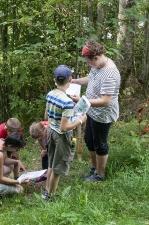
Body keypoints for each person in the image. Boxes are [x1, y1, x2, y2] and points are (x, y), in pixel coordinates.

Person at [70, 39, 121, 182]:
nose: (88, 65)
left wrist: (82, 101)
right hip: (91, 110)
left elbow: (105, 101)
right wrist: (75, 81)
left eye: (88, 62)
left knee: (100, 144)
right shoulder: (97, 66)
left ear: (96, 57)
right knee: (89, 141)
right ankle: (94, 168)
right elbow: (92, 79)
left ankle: (100, 175)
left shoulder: (110, 74)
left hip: (102, 114)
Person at [43, 65, 87, 201]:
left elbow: (46, 116)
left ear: (54, 80)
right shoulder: (67, 102)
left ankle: (46, 190)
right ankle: (50, 197)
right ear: (70, 79)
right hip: (61, 136)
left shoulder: (50, 94)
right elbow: (64, 128)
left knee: (51, 162)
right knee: (58, 168)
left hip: (51, 131)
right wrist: (80, 120)